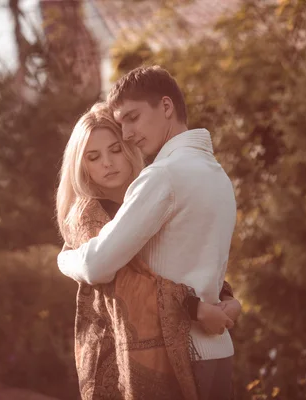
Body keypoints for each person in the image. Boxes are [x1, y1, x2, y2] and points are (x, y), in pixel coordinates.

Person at [57, 66, 238, 400]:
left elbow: (98, 266)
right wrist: (223, 299)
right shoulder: (218, 175)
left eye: (133, 118)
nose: (127, 134)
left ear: (166, 107)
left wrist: (65, 259)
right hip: (218, 350)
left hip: (178, 354)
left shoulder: (162, 177)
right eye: (122, 122)